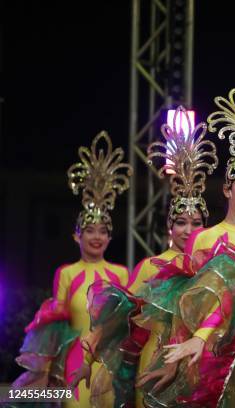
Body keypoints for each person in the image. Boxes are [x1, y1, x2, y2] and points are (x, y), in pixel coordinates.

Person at [143, 90, 235, 407]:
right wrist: (173, 358)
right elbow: (185, 308)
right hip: (206, 354)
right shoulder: (204, 239)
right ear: (227, 188)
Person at [12, 132, 132, 407]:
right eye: (89, 231)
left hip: (112, 360)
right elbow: (56, 326)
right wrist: (48, 370)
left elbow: (124, 325)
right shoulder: (66, 273)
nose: (97, 237)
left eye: (103, 231)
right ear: (76, 236)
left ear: (110, 238)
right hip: (76, 357)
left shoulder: (121, 274)